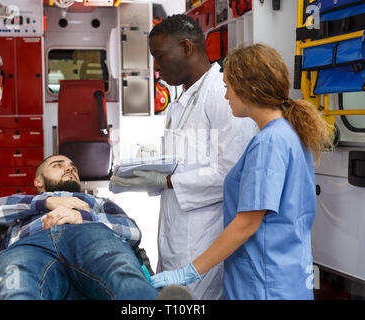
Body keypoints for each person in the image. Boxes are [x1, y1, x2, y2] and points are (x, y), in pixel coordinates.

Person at [149, 44, 333, 300]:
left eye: (227, 87)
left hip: (265, 283)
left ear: (248, 88)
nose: (225, 96)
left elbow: (246, 224)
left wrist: (189, 272)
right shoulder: (288, 134)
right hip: (286, 276)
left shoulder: (269, 143)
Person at [110, 14, 257, 300]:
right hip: (174, 228)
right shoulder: (181, 101)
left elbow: (231, 173)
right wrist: (141, 177)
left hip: (204, 234)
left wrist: (165, 181)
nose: (156, 66)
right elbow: (182, 162)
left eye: (160, 55)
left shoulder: (221, 94)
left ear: (187, 48)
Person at [0, 154, 158, 300]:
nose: (69, 169)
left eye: (72, 167)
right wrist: (45, 203)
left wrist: (83, 216)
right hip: (30, 247)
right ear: (38, 182)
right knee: (19, 288)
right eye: (58, 165)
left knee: (121, 274)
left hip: (90, 238)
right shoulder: (23, 205)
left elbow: (133, 232)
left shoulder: (97, 202)